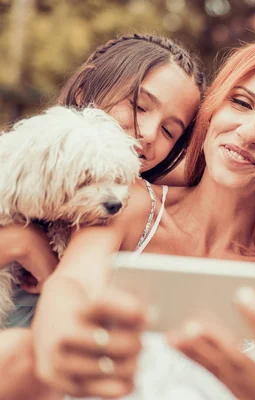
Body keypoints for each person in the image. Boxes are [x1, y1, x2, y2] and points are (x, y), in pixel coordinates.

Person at [32, 37, 255, 400]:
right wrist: (57, 337)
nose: (248, 132)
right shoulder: (129, 203)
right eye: (241, 103)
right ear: (213, 108)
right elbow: (71, 283)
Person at [0, 33, 204, 400]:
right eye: (141, 107)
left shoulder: (137, 197)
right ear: (88, 85)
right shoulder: (25, 159)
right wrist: (20, 241)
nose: (147, 135)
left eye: (170, 131)